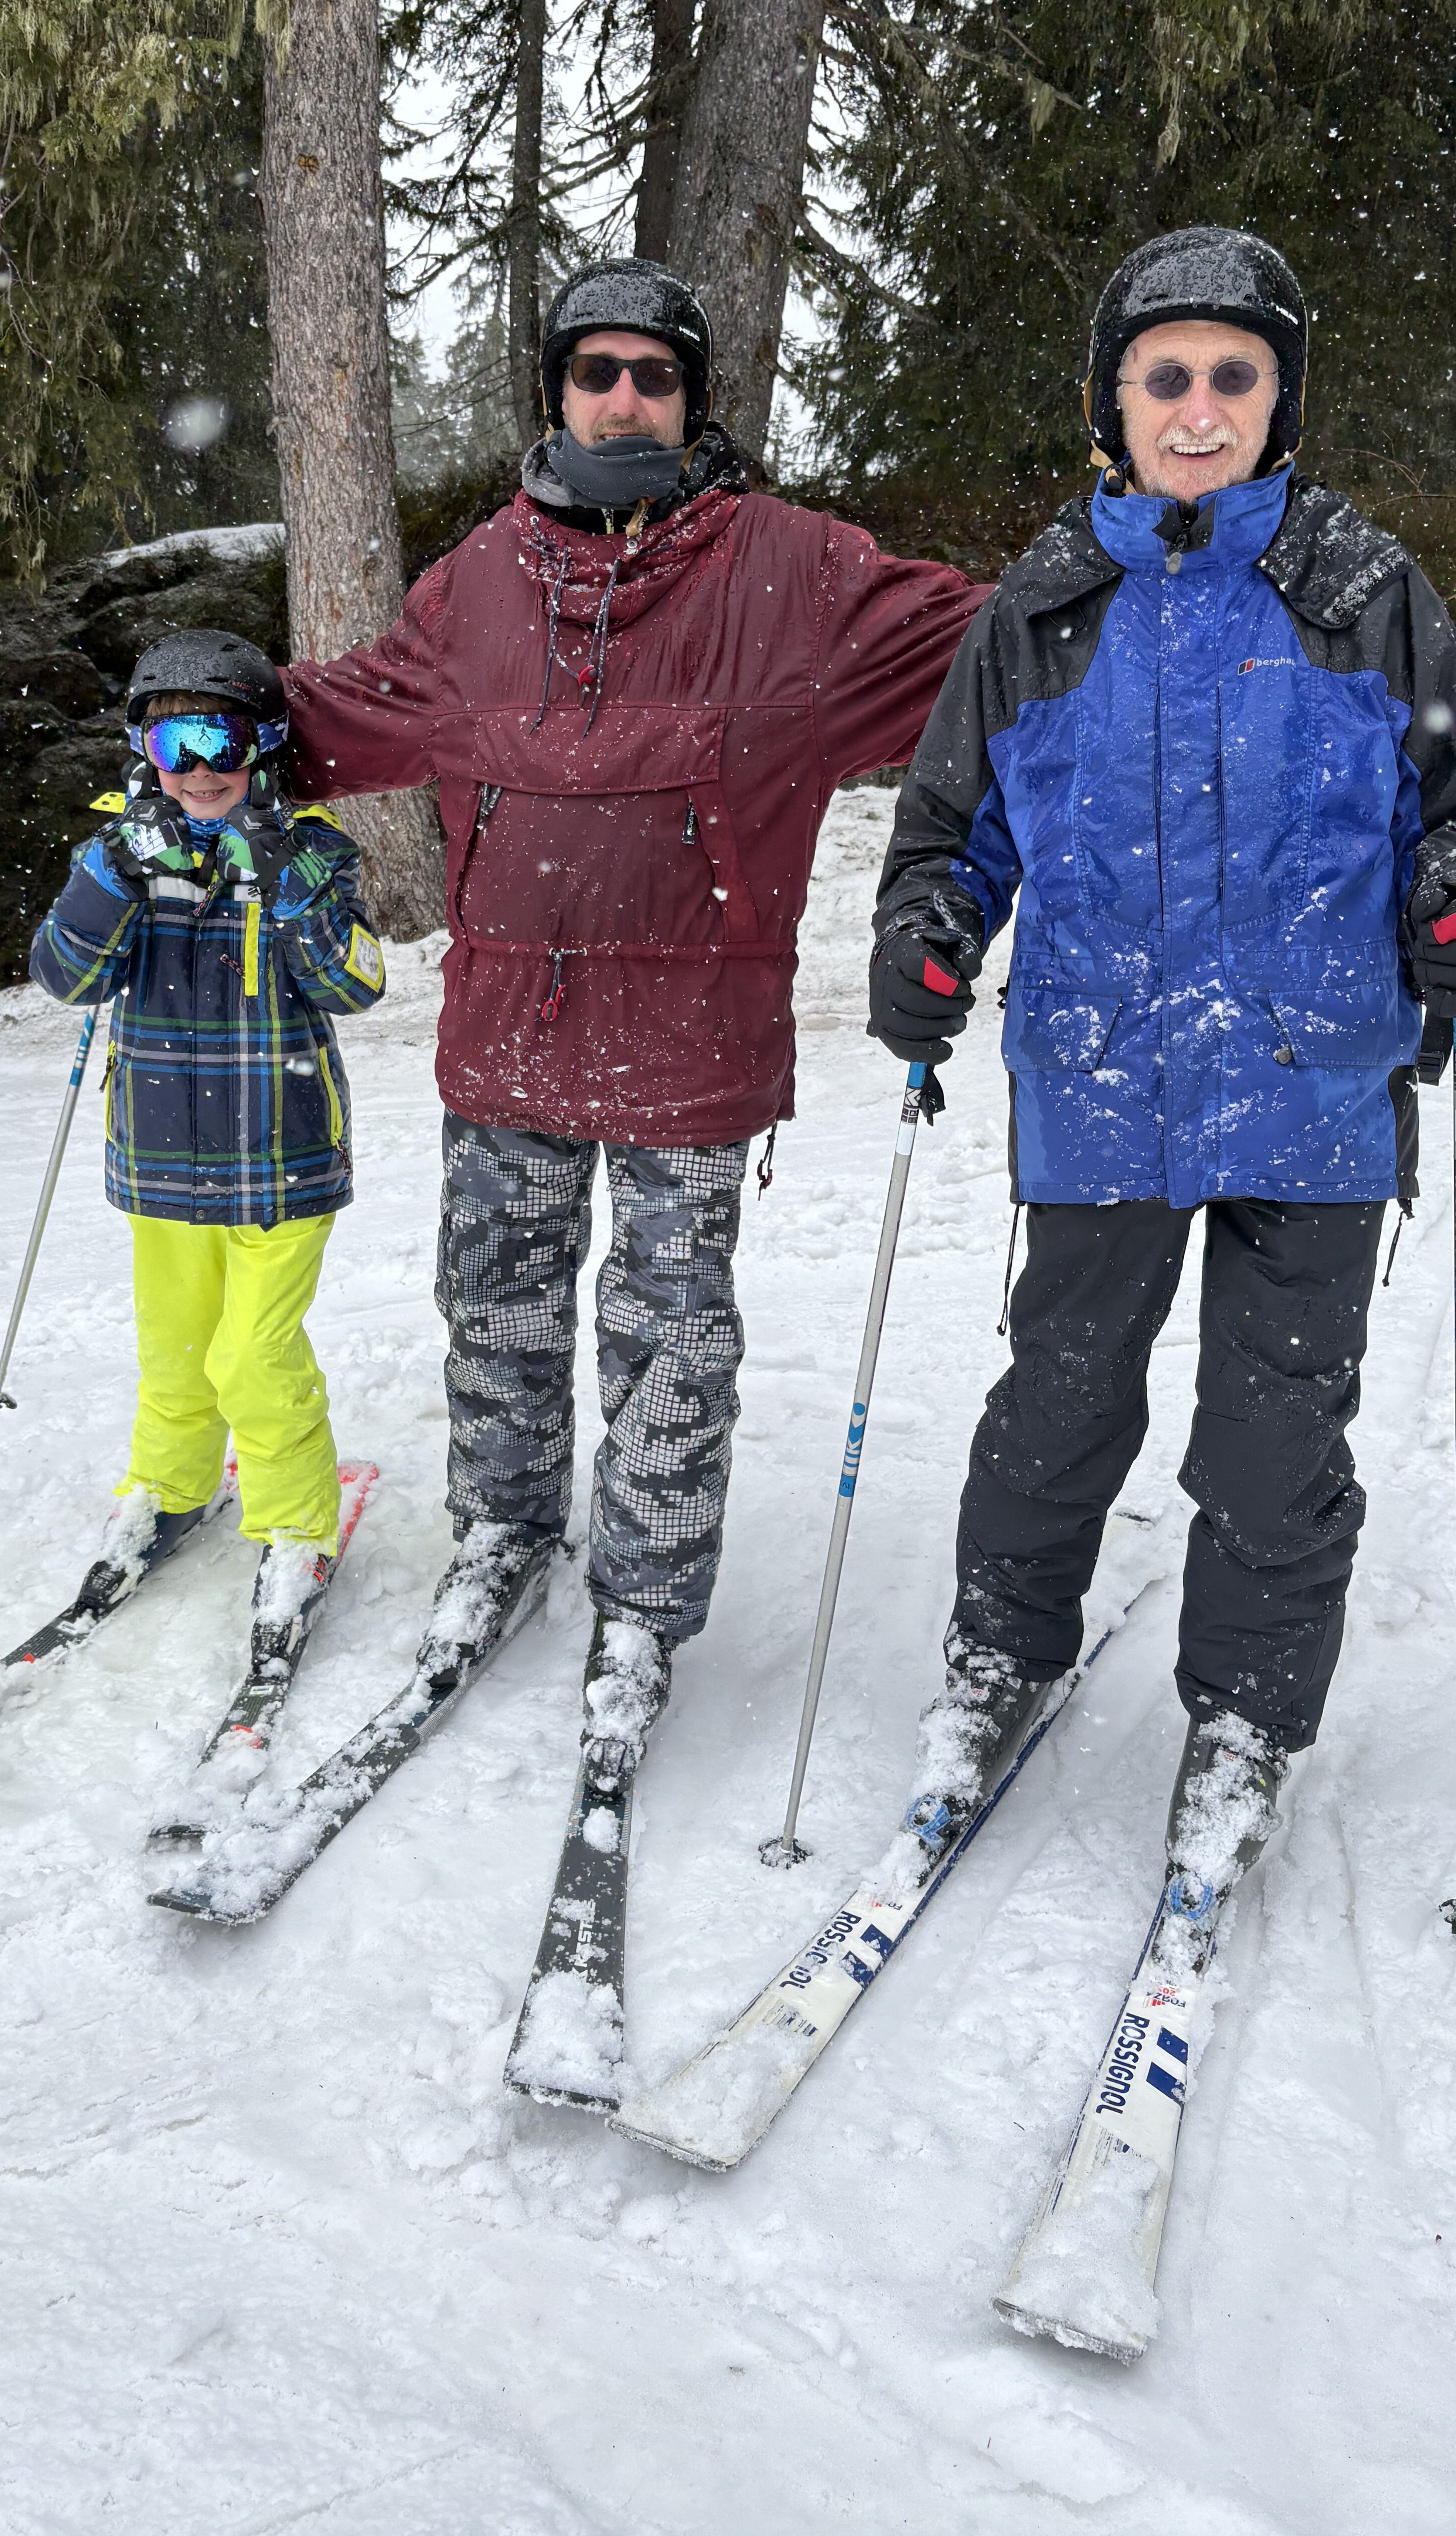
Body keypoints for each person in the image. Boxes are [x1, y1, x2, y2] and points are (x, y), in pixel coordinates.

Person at [868, 224, 1456, 1948]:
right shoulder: (1039, 604)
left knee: (1271, 1433)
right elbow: (952, 830)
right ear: (1113, 398)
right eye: (1163, 375)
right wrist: (931, 930)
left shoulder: (1361, 588)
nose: (1195, 404)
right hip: (1098, 1080)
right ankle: (994, 1661)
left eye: (1232, 376)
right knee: (1060, 1399)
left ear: (1277, 401)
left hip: (1311, 1092)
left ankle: (1243, 1721)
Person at [277, 255, 986, 1763]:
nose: (622, 397)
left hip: (690, 1048)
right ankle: (499, 1536)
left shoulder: (799, 574)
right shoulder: (473, 582)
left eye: (653, 376)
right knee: (498, 1312)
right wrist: (204, 715)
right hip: (504, 1039)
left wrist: (1145, 571)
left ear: (692, 401)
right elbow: (348, 712)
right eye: (595, 372)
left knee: (671, 1340)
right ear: (556, 392)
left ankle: (647, 1606)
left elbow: (1003, 644)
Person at [29, 628, 386, 1665]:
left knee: (253, 1355)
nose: (199, 773)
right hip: (159, 1157)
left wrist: (288, 883)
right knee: (177, 1351)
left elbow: (357, 984)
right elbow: (65, 976)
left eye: (220, 742)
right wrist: (113, 876)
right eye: (172, 744)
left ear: (262, 744)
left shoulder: (312, 849)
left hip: (282, 1157)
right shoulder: (118, 851)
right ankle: (172, 1491)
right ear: (142, 750)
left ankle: (294, 1528)